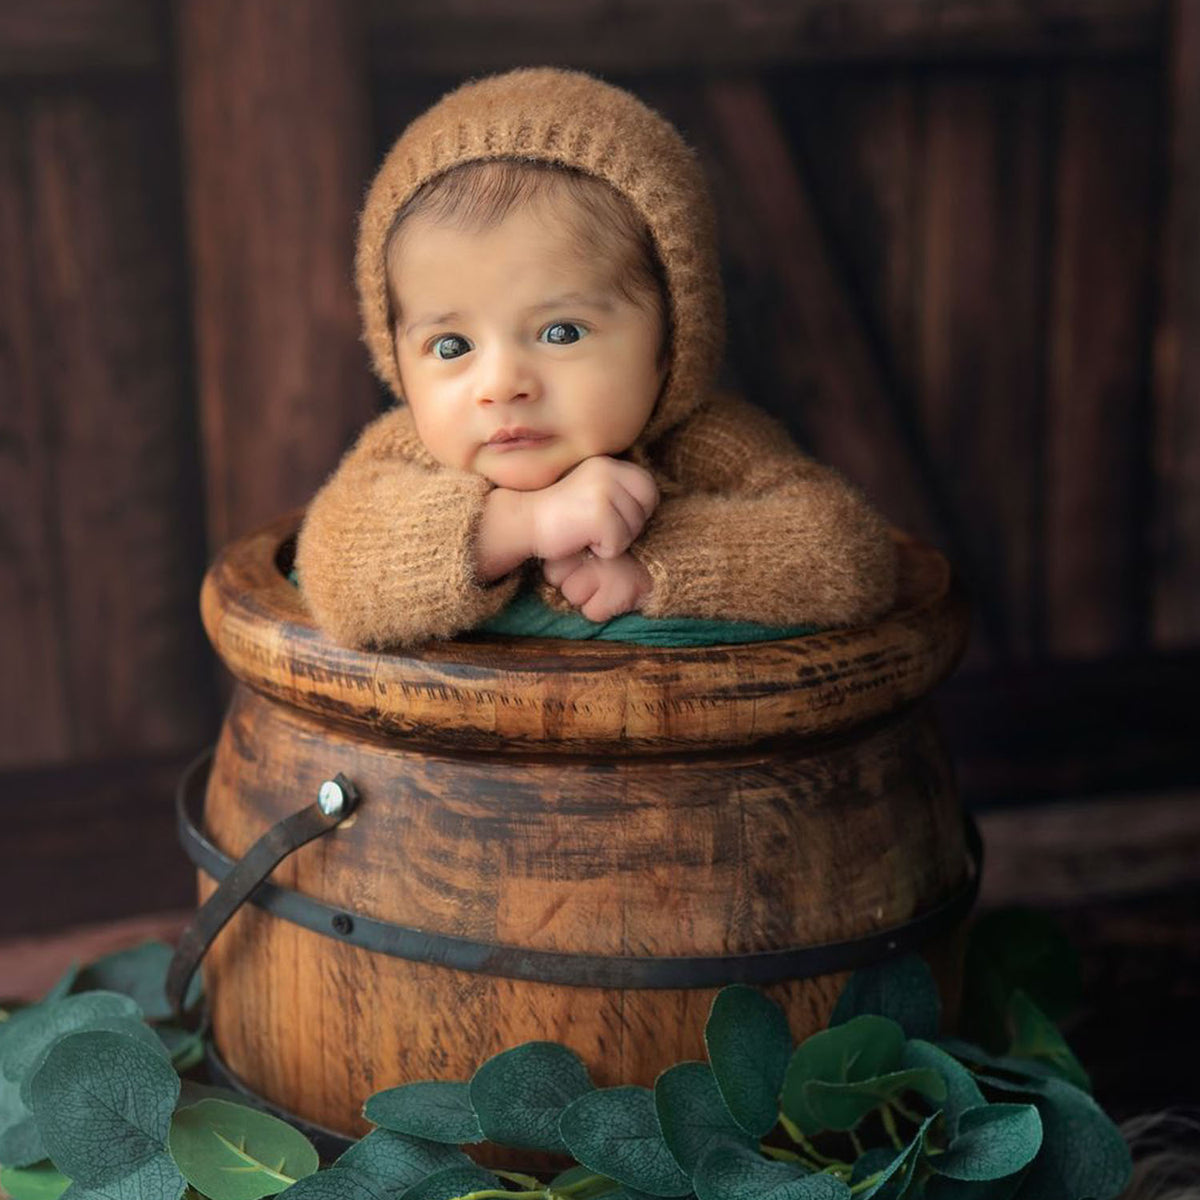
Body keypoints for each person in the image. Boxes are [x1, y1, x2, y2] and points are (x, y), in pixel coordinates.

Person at [296, 67, 897, 649]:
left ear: (672, 341)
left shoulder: (703, 444)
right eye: (452, 346)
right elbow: (335, 573)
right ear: (395, 356)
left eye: (561, 333)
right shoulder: (405, 454)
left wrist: (654, 563)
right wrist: (519, 525)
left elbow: (848, 555)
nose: (502, 385)